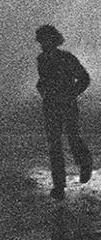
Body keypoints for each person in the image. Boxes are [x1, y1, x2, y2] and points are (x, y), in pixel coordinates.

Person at [35, 24, 93, 199]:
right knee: (55, 146)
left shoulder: (66, 58)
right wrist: (43, 90)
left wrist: (71, 94)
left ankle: (85, 162)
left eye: (44, 40)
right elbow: (43, 81)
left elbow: (84, 78)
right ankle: (59, 186)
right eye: (41, 41)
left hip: (66, 104)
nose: (42, 44)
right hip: (51, 105)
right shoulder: (42, 59)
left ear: (52, 40)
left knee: (73, 138)